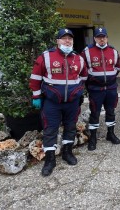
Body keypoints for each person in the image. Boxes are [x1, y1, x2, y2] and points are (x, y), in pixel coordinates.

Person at [29, 28, 88, 177]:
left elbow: (84, 77)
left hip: (72, 103)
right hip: (52, 103)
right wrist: (36, 97)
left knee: (70, 127)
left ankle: (67, 152)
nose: (67, 41)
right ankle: (50, 160)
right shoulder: (46, 57)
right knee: (50, 130)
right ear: (57, 41)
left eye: (70, 39)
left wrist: (79, 92)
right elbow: (35, 78)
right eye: (64, 38)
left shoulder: (78, 58)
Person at [81, 27, 120, 151]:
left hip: (110, 88)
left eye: (103, 37)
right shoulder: (87, 51)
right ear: (95, 38)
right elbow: (82, 69)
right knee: (95, 113)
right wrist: (93, 79)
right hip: (95, 89)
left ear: (107, 38)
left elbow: (118, 67)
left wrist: (109, 77)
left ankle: (111, 134)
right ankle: (93, 138)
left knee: (111, 111)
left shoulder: (113, 51)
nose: (102, 39)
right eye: (99, 37)